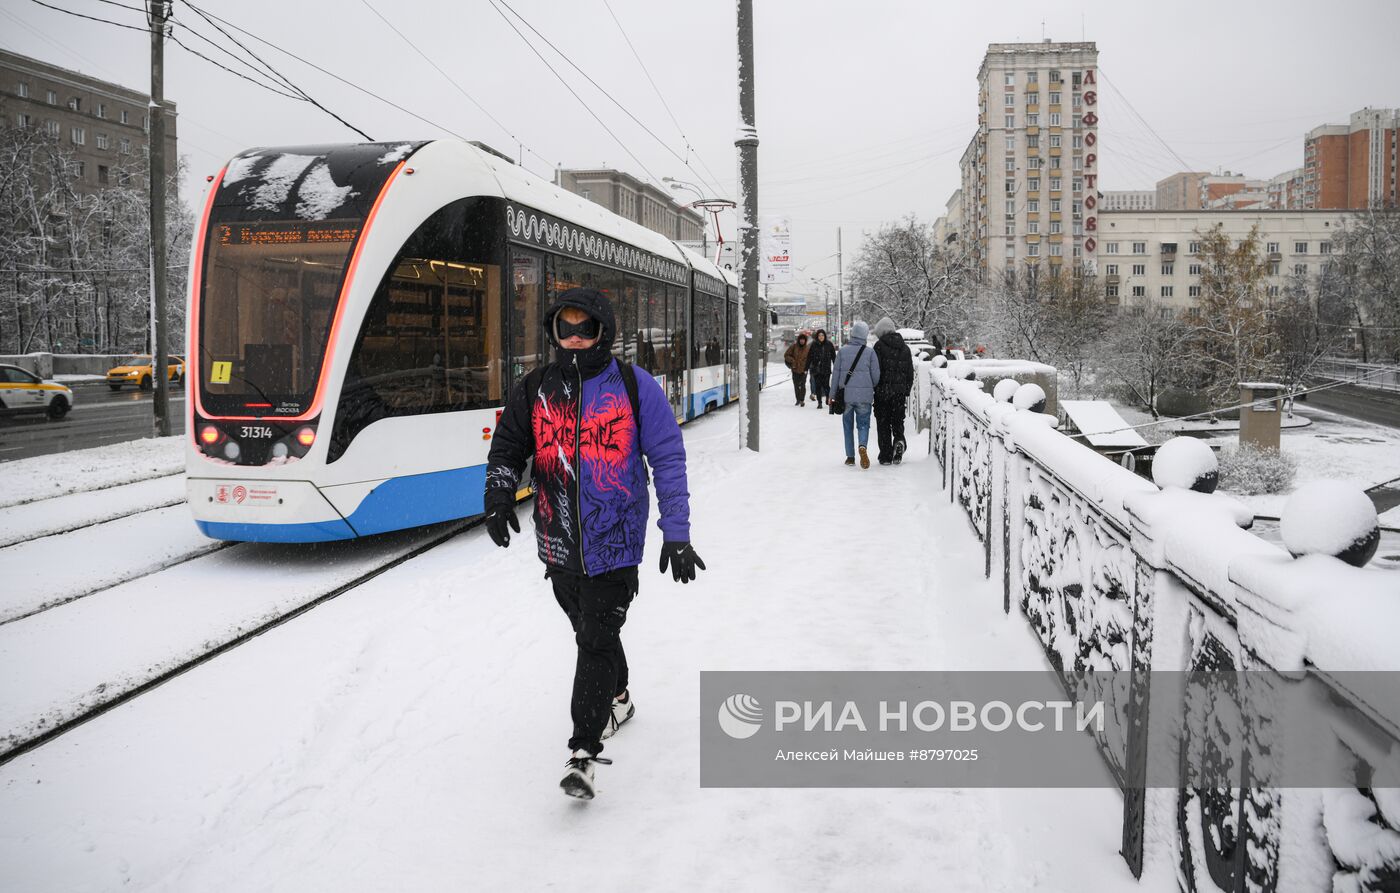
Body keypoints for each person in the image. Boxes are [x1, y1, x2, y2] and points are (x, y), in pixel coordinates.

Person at [482, 287, 706, 801]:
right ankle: (620, 697)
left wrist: (677, 531)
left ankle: (583, 752)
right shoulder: (534, 387)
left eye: (586, 328)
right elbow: (509, 444)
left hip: (617, 539)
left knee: (595, 638)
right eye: (566, 328)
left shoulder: (634, 385)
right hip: (558, 542)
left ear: (603, 330)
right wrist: (497, 493)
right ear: (554, 332)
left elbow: (668, 459)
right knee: (591, 630)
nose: (576, 338)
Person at [829, 319, 880, 468]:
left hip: (846, 397)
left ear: (852, 334)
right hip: (864, 396)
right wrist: (869, 386)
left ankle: (850, 457)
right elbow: (876, 376)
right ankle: (862, 446)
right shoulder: (870, 352)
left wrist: (832, 395)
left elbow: (836, 375)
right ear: (864, 335)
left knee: (847, 426)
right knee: (863, 425)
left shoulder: (843, 351)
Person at [871, 317, 915, 466]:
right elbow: (910, 372)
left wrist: (875, 387)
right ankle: (899, 440)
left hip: (882, 392)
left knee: (883, 424)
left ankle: (885, 455)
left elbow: (874, 371)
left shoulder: (878, 346)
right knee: (897, 421)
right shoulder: (905, 348)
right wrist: (906, 390)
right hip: (899, 394)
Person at [807, 328, 836, 407]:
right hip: (816, 369)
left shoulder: (829, 344)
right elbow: (809, 357)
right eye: (819, 335)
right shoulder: (814, 345)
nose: (821, 337)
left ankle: (827, 397)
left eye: (822, 335)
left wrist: (836, 366)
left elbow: (834, 356)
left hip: (826, 369)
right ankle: (819, 402)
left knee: (826, 385)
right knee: (818, 386)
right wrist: (806, 368)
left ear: (824, 336)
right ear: (817, 336)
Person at [783, 333, 811, 406]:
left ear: (805, 341)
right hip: (795, 369)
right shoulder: (794, 347)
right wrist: (792, 361)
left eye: (803, 340)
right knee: (796, 385)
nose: (802, 341)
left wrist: (808, 366)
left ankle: (802, 400)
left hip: (804, 370)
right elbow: (786, 355)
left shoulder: (807, 348)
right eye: (801, 339)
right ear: (799, 340)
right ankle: (798, 399)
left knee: (802, 385)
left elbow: (810, 359)